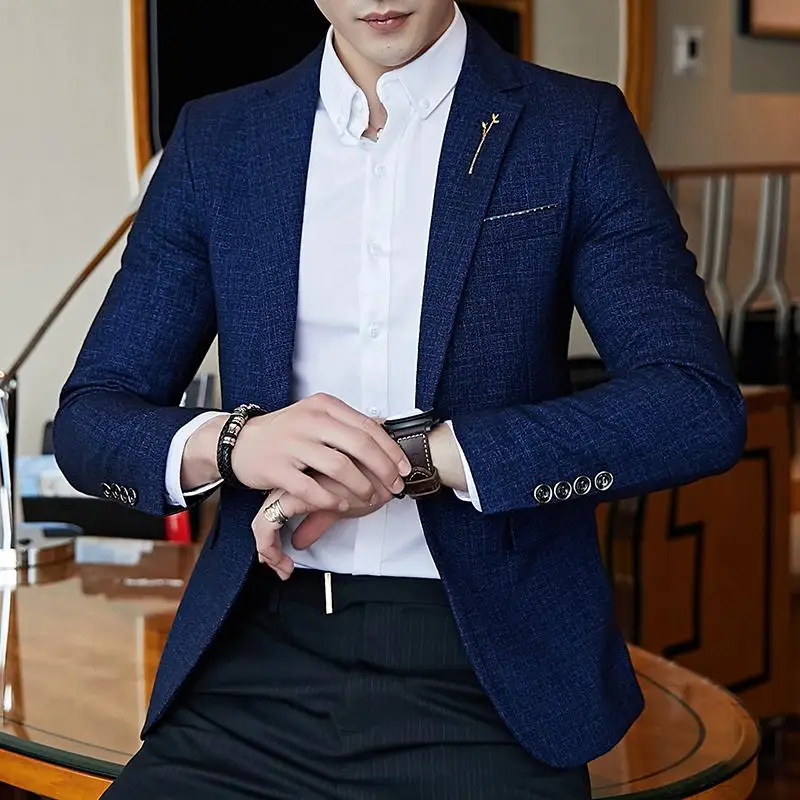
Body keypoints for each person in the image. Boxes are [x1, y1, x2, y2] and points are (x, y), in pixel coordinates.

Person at [53, 1, 746, 797]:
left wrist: (418, 458)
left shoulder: (574, 126)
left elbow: (693, 404)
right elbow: (91, 419)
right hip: (254, 657)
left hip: (487, 673)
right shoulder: (218, 140)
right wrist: (240, 443)